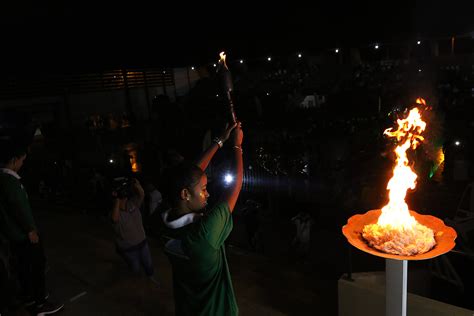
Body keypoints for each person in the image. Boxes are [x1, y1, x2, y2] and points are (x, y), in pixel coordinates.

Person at [160, 121, 243, 316]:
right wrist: (237, 145)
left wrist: (220, 141)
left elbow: (191, 176)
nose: (207, 195)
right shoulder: (205, 233)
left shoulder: (161, 218)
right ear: (185, 194)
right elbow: (236, 185)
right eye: (204, 190)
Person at [0, 139, 64, 315]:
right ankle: (40, 303)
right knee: (35, 267)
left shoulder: (2, 180)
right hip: (23, 235)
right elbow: (19, 207)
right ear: (13, 160)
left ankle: (29, 298)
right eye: (21, 160)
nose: (22, 164)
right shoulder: (11, 182)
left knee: (24, 268)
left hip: (12, 235)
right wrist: (30, 230)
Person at [110, 177, 158, 284]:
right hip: (128, 247)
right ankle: (136, 276)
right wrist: (117, 198)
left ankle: (150, 277)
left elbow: (141, 194)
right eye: (123, 198)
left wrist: (136, 184)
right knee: (135, 268)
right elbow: (114, 218)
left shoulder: (133, 204)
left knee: (148, 262)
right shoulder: (115, 213)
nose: (125, 198)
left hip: (142, 242)